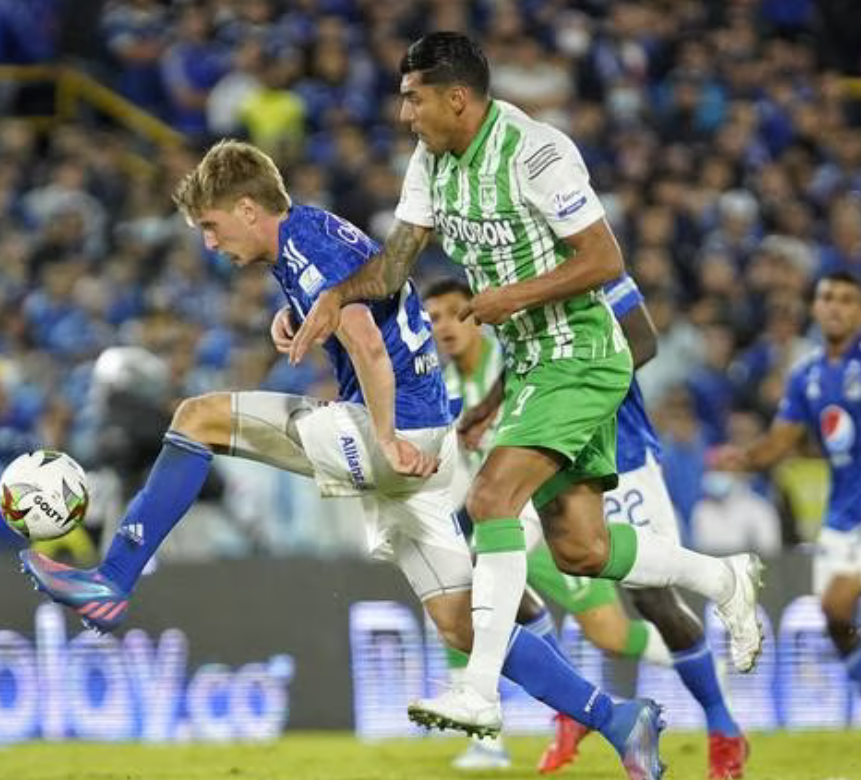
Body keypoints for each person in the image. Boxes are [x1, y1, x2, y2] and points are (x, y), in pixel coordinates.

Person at [20, 140, 666, 780]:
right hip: (427, 436)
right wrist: (297, 311)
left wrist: (384, 438)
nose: (211, 244)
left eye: (213, 227)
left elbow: (367, 344)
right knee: (463, 625)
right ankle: (617, 719)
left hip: (392, 433)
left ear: (248, 208)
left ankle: (113, 579)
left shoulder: (304, 245)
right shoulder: (313, 232)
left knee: (198, 416)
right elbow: (374, 296)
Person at [288, 31, 763, 738]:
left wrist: (514, 298)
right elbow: (391, 270)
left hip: (582, 352)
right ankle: (724, 579)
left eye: (415, 99)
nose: (405, 115)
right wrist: (329, 300)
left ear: (457, 98)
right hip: (535, 364)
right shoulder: (431, 160)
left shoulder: (536, 151)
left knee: (489, 498)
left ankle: (479, 689)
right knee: (582, 549)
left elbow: (603, 258)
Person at [425, 277, 748, 779]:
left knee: (651, 603)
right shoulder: (515, 265)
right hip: (546, 449)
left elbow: (642, 340)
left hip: (620, 448)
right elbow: (524, 359)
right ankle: (568, 705)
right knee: (481, 564)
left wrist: (574, 387)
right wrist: (490, 410)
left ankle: (722, 722)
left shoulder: (592, 263)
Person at [713, 270, 861, 752]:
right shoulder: (806, 374)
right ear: (815, 308)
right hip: (839, 514)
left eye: (846, 299)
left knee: (837, 604)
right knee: (837, 625)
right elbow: (782, 441)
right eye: (826, 298)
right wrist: (745, 458)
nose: (834, 307)